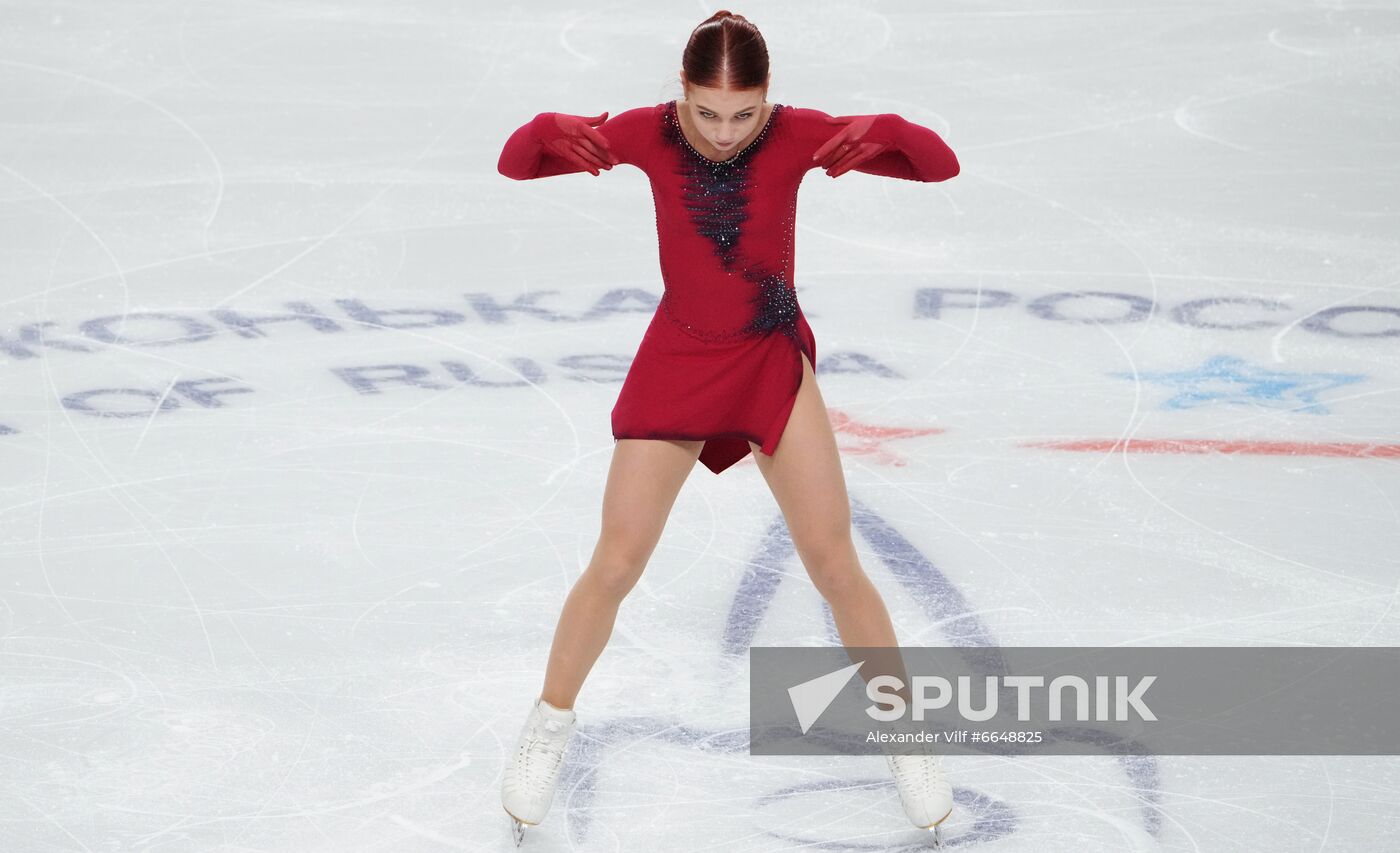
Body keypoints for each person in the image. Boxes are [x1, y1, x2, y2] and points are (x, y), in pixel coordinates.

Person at [495, 9, 960, 846]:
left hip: (769, 361)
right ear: (683, 94)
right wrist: (545, 126)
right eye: (707, 113)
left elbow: (938, 165)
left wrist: (887, 127)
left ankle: (906, 736)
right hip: (679, 358)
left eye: (742, 114)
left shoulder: (795, 137)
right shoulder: (644, 132)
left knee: (832, 559)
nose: (723, 132)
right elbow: (517, 163)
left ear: (766, 98)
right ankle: (548, 724)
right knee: (616, 560)